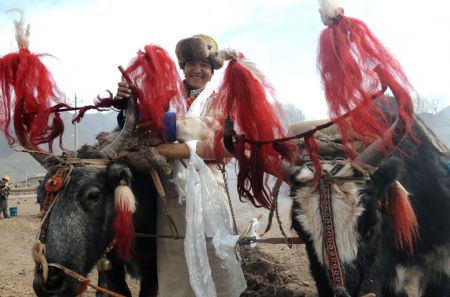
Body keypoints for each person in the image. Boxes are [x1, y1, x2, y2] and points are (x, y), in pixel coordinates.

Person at [115, 34, 246, 297]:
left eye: (204, 65)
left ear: (212, 71)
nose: (197, 70)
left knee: (215, 251)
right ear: (183, 68)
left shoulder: (223, 101)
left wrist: (169, 138)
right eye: (191, 64)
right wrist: (126, 104)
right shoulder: (165, 98)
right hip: (170, 194)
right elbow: (136, 129)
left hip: (210, 188)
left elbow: (224, 145)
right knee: (173, 257)